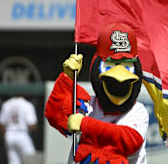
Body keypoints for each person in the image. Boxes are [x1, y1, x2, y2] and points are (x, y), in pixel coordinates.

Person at [45, 22, 149, 164]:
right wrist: (67, 79)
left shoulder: (138, 111)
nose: (118, 76)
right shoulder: (89, 105)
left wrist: (85, 124)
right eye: (110, 65)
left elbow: (129, 140)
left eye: (126, 65)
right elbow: (55, 115)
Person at [0, 96, 38, 164]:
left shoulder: (7, 104)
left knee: (14, 161)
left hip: (9, 134)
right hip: (22, 134)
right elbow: (32, 124)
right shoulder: (27, 104)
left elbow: (1, 124)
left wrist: (6, 135)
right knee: (32, 159)